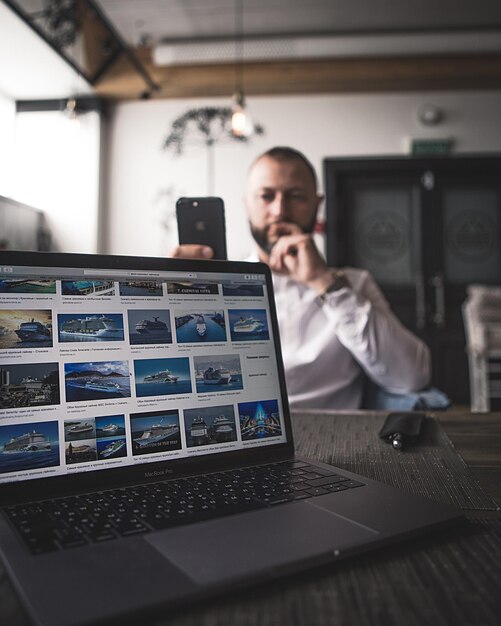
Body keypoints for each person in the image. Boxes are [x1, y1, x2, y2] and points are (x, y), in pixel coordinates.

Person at [170, 146, 431, 409]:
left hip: (335, 438)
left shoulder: (355, 283)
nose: (280, 210)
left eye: (295, 196)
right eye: (266, 196)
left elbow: (411, 378)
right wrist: (175, 298)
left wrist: (323, 281)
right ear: (247, 204)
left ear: (317, 206)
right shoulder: (212, 283)